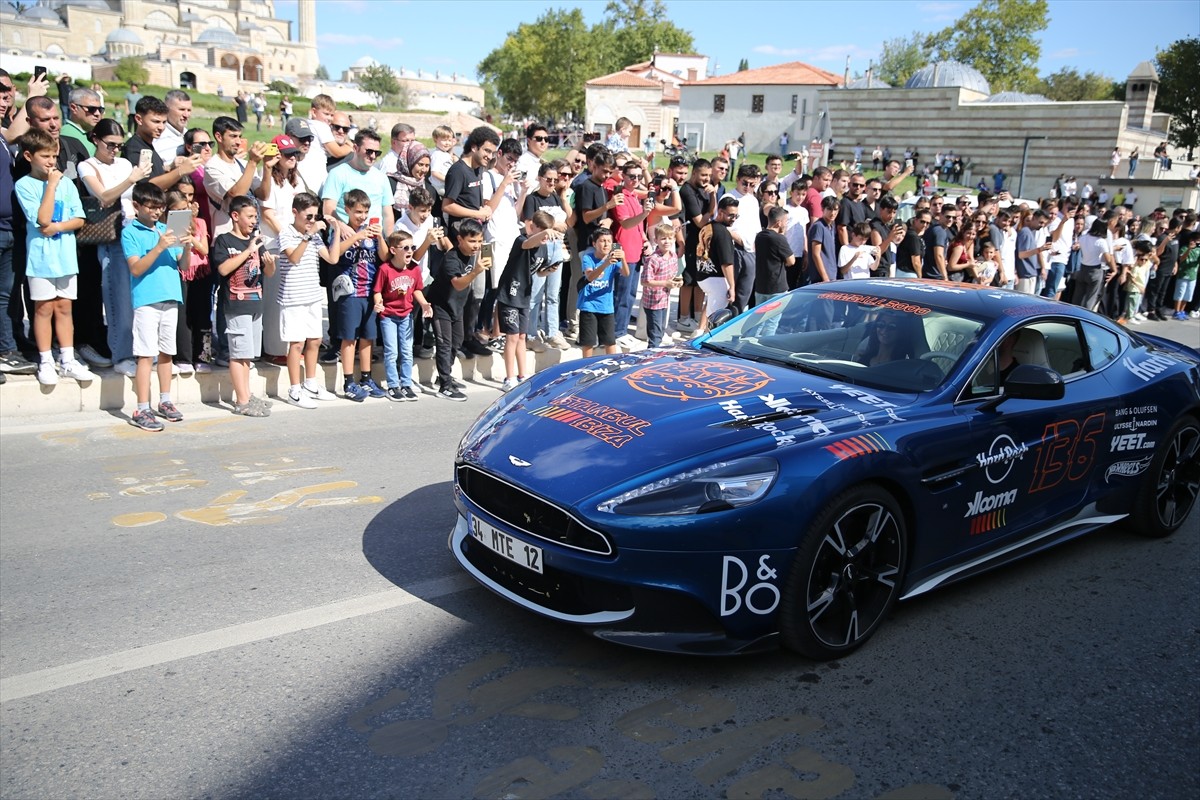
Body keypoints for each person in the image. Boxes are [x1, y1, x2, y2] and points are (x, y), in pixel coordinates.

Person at [14, 128, 91, 386]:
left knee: (64, 308)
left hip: (66, 257)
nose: (51, 162)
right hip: (41, 260)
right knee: (44, 308)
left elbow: (79, 219)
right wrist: (52, 186)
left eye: (54, 156)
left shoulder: (67, 184)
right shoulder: (25, 185)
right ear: (28, 155)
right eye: (45, 156)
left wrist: (58, 227)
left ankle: (68, 359)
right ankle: (46, 359)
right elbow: (42, 218)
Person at [121, 181, 192, 430]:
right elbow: (136, 267)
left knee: (166, 352)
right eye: (151, 207)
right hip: (147, 301)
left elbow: (183, 266)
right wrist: (159, 246)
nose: (156, 212)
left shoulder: (166, 228)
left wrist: (188, 245)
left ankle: (165, 400)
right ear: (137, 205)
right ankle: (142, 407)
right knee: (145, 354)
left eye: (159, 207)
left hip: (170, 297)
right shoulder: (130, 232)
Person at [211, 195, 276, 416]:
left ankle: (246, 395)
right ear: (235, 216)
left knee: (247, 355)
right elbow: (223, 269)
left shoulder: (256, 242)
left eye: (255, 217)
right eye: (249, 216)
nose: (253, 221)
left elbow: (268, 273)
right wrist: (248, 251)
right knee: (237, 354)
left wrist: (269, 264)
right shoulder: (224, 241)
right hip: (236, 305)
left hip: (255, 305)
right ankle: (241, 401)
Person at [276, 191, 339, 408]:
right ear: (295, 212)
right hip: (293, 297)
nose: (312, 221)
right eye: (308, 216)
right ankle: (294, 389)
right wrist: (308, 235)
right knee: (296, 344)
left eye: (315, 216)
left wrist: (336, 230)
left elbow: (332, 258)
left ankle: (311, 383)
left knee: (314, 340)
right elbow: (293, 258)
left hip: (312, 295)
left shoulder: (315, 236)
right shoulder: (286, 233)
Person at [495, 210, 559, 390]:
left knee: (522, 336)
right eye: (543, 230)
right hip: (510, 293)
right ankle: (509, 377)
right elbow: (529, 244)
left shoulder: (544, 247)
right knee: (512, 336)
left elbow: (537, 270)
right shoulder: (522, 240)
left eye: (549, 230)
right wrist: (544, 233)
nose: (546, 234)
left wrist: (548, 271)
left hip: (524, 295)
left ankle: (523, 375)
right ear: (533, 227)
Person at [427, 218, 489, 400]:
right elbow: (458, 284)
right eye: (472, 241)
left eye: (479, 241)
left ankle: (444, 376)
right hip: (441, 306)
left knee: (457, 342)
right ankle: (445, 387)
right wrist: (475, 272)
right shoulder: (451, 259)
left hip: (458, 306)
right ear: (460, 239)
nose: (476, 245)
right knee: (445, 344)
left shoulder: (474, 253)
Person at [374, 229, 432, 400]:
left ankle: (406, 383)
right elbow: (377, 291)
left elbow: (417, 290)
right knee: (392, 351)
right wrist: (379, 303)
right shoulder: (385, 269)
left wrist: (424, 304)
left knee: (407, 351)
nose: (410, 251)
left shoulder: (414, 269)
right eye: (405, 248)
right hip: (389, 316)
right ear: (393, 250)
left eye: (412, 247)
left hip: (406, 315)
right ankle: (393, 385)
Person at [125, 96, 202, 192]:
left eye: (164, 122)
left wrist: (170, 167)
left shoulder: (148, 144)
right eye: (156, 121)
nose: (161, 127)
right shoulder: (134, 147)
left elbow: (155, 174)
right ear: (139, 119)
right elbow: (147, 187)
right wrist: (181, 170)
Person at [577, 227, 629, 357]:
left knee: (610, 342)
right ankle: (586, 367)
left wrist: (623, 258)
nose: (606, 244)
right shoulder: (588, 258)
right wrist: (605, 264)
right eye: (602, 241)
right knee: (588, 342)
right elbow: (589, 276)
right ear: (594, 244)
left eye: (609, 241)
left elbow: (626, 273)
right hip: (588, 305)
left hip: (606, 307)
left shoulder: (614, 259)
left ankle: (612, 366)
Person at [641, 222, 681, 347]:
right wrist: (665, 283)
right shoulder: (653, 259)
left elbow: (673, 275)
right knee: (655, 336)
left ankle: (655, 356)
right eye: (663, 238)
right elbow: (645, 281)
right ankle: (650, 360)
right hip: (653, 302)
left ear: (674, 239)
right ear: (656, 240)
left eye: (670, 238)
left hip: (664, 300)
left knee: (660, 332)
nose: (666, 241)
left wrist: (678, 281)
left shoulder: (673, 256)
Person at [754, 206, 795, 302]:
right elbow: (791, 261)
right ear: (779, 223)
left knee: (760, 317)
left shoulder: (759, 236)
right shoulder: (779, 239)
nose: (786, 224)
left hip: (760, 288)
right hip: (776, 289)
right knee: (775, 317)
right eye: (786, 221)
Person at [154, 90, 192, 164]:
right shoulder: (157, 139)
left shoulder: (191, 135)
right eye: (182, 109)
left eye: (189, 110)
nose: (186, 115)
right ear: (166, 109)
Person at [1171, 231, 1198, 320]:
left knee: (1188, 295)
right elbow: (1181, 259)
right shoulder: (1184, 248)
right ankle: (1176, 311)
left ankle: (1182, 311)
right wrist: (1189, 249)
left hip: (1193, 276)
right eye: (1196, 240)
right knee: (1180, 293)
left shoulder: (1199, 250)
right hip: (1183, 274)